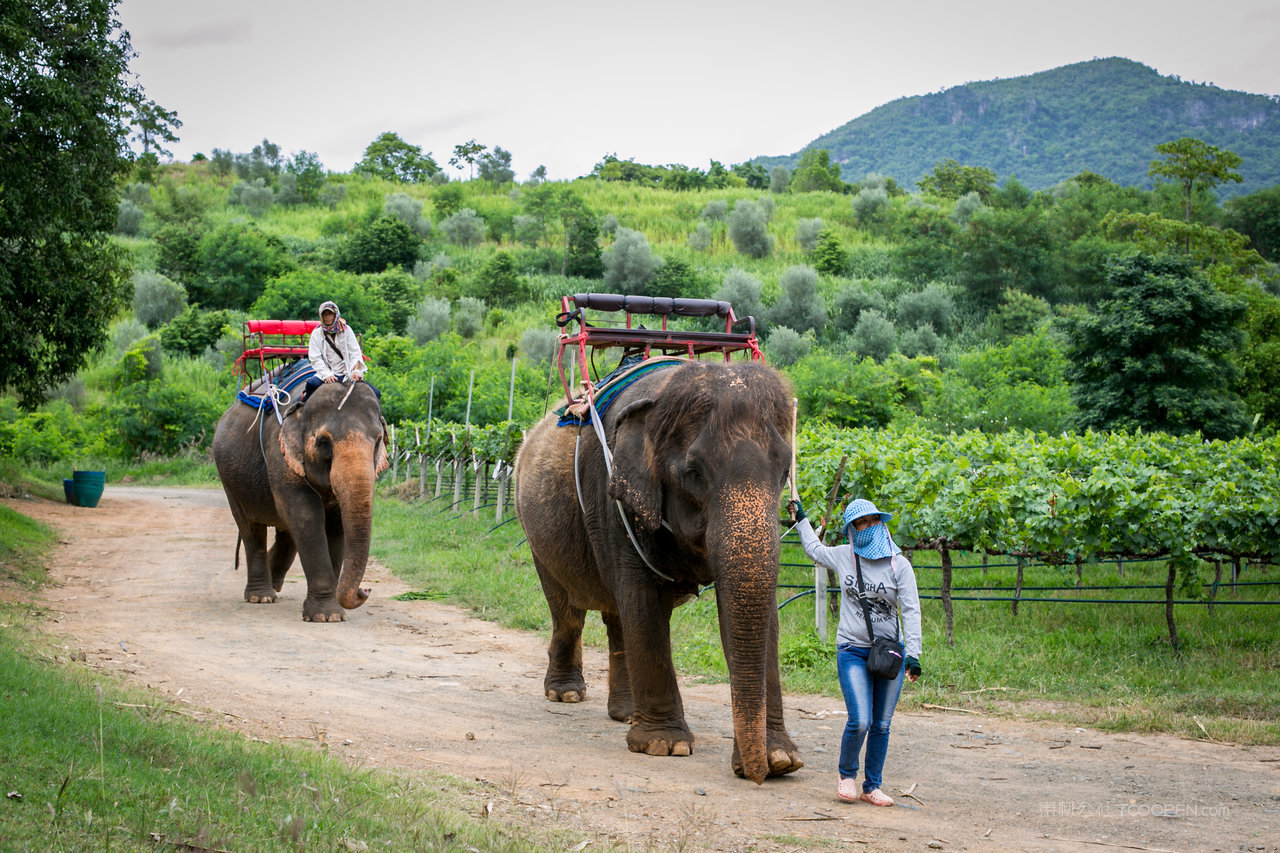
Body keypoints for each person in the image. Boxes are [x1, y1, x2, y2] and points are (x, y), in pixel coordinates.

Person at [789, 495, 922, 807]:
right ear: (852, 529)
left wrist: (913, 654)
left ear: (880, 522)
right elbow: (815, 551)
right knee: (860, 719)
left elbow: (912, 611)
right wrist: (802, 520)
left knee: (882, 724)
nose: (868, 526)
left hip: (889, 654)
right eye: (861, 522)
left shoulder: (898, 565)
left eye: (873, 520)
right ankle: (846, 775)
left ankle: (872, 785)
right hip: (851, 649)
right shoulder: (843, 556)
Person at [301, 301, 378, 403]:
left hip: (347, 373)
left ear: (335, 314)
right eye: (325, 314)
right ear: (321, 316)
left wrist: (356, 371)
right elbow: (315, 358)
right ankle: (303, 406)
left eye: (330, 314)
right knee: (311, 384)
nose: (328, 317)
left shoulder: (346, 330)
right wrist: (327, 375)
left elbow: (355, 353)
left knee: (376, 393)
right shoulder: (316, 333)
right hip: (328, 373)